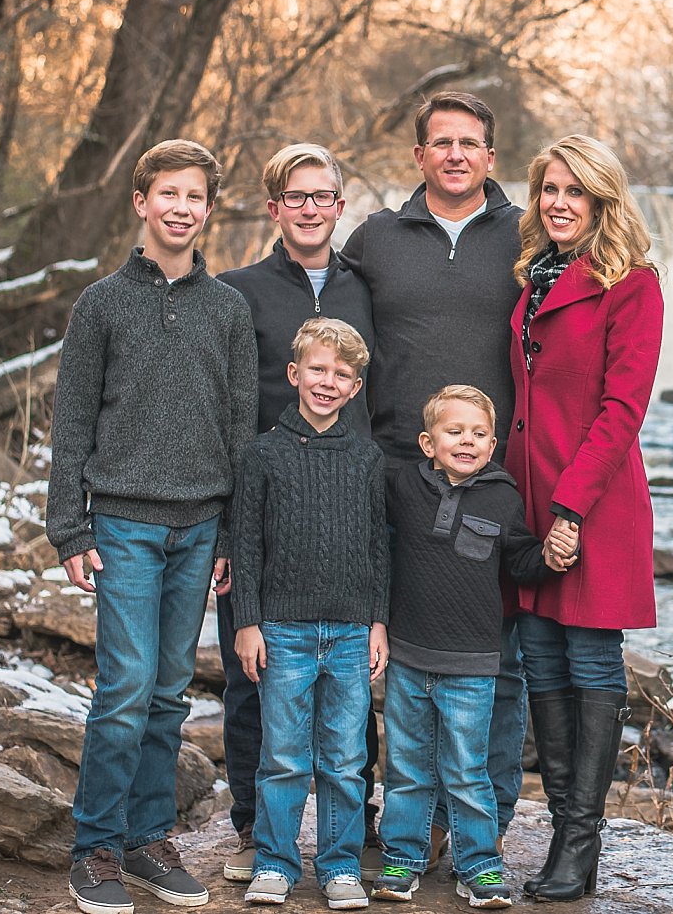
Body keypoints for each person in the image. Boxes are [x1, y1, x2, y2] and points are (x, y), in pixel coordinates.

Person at [47, 138, 257, 914]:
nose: (180, 207)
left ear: (207, 209)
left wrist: (234, 534)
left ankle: (146, 838)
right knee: (127, 686)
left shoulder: (228, 308)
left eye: (194, 196)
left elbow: (240, 428)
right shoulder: (101, 303)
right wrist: (69, 527)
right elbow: (71, 423)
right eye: (166, 193)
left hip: (199, 528)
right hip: (125, 523)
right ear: (141, 201)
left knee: (169, 690)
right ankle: (95, 846)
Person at [341, 91, 528, 862]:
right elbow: (335, 339)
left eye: (470, 143)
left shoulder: (524, 234)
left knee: (498, 656)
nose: (455, 154)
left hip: (494, 478)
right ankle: (394, 819)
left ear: (491, 156)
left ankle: (483, 821)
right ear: (417, 156)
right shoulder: (376, 239)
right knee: (385, 650)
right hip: (392, 476)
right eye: (441, 142)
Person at [503, 135, 664, 902]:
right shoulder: (532, 277)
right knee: (539, 657)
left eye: (576, 191)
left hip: (591, 503)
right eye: (549, 189)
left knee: (591, 663)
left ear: (603, 202)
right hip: (528, 502)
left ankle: (579, 840)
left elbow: (622, 408)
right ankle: (568, 833)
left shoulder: (631, 285)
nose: (559, 202)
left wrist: (569, 509)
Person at [216, 144, 376, 883]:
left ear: (341, 207)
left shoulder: (367, 288)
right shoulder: (237, 290)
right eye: (295, 195)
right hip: (261, 513)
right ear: (274, 205)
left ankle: (354, 835)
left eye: (323, 196)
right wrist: (225, 527)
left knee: (349, 697)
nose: (310, 208)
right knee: (253, 677)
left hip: (347, 511)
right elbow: (221, 409)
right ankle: (256, 829)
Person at [372, 385, 572, 909]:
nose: (468, 440)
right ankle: (403, 859)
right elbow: (374, 545)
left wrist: (550, 557)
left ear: (493, 443)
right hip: (410, 656)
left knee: (466, 769)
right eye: (454, 431)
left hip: (474, 663)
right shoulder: (403, 488)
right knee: (408, 768)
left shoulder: (503, 497)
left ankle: (479, 866)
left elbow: (521, 559)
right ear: (427, 442)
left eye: (479, 434)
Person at [230, 318, 389, 910]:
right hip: (283, 631)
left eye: (342, 375)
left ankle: (340, 865)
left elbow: (379, 546)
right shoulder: (262, 454)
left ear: (355, 389)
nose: (328, 382)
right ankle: (274, 863)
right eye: (318, 370)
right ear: (295, 374)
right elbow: (246, 544)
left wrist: (378, 621)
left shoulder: (367, 458)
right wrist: (248, 623)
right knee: (283, 756)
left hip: (350, 632)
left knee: (347, 759)